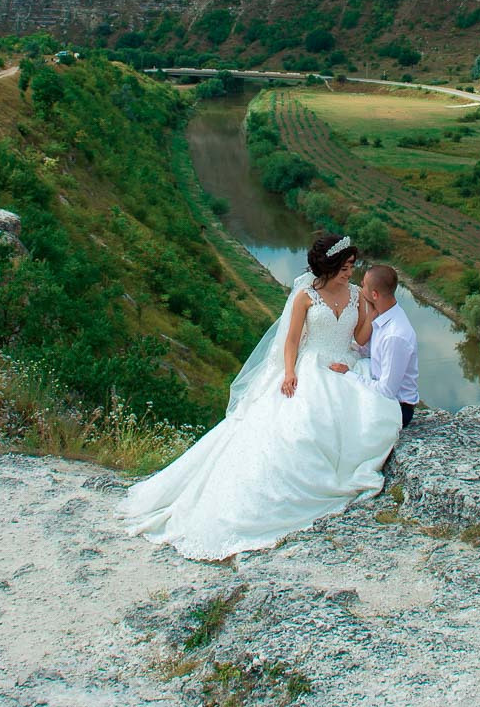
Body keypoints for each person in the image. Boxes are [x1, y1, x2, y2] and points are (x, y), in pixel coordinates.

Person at [119, 232, 402, 562]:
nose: (350, 272)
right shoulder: (305, 297)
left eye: (352, 266)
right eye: (345, 267)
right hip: (310, 366)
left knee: (367, 414)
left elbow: (360, 338)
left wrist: (372, 312)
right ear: (330, 265)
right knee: (301, 426)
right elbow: (292, 341)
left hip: (344, 365)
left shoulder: (355, 294)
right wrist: (290, 372)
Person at [357, 264, 420, 428]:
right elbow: (371, 352)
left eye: (364, 284)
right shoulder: (386, 315)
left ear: (374, 295)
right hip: (385, 397)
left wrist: (349, 375)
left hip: (397, 408)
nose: (360, 286)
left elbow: (386, 391)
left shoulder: (395, 335)